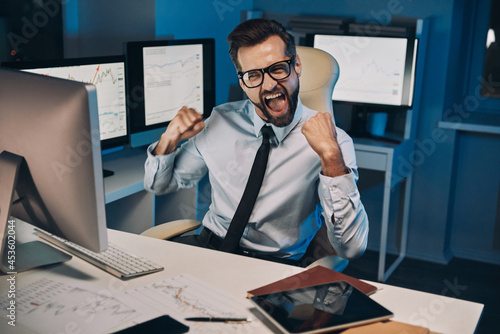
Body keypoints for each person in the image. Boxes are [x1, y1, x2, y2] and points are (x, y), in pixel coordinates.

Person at [144, 18, 368, 265]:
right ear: (242, 82)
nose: (269, 84)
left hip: (272, 266)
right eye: (253, 75)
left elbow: (351, 248)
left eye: (278, 68)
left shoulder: (334, 143)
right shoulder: (220, 121)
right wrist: (168, 139)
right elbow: (159, 185)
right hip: (208, 249)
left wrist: (331, 158)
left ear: (297, 66)